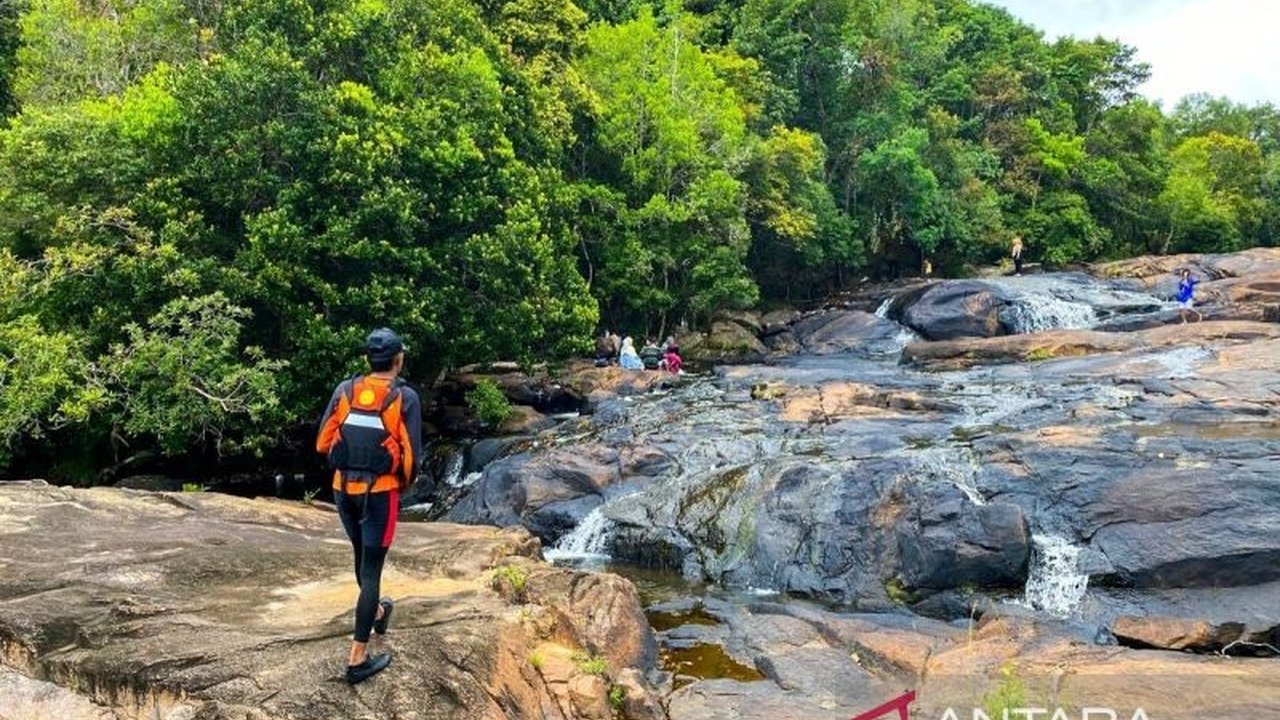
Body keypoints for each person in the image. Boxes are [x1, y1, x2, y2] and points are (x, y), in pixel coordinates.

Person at [316, 328, 423, 684]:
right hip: (379, 494)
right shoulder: (405, 397)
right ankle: (357, 658)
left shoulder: (344, 390)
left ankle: (376, 611)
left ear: (368, 359)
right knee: (372, 570)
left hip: (342, 489)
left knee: (361, 557)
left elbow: (322, 443)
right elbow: (412, 458)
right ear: (399, 360)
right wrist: (404, 484)